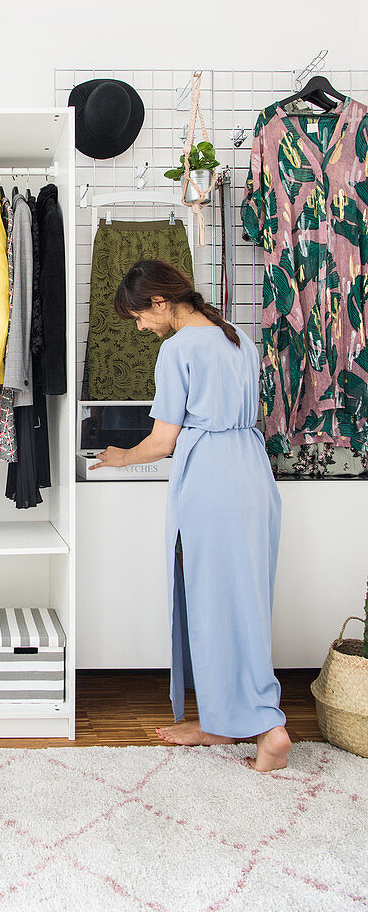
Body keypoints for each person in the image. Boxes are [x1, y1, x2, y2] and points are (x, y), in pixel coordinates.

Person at [91, 259, 291, 772]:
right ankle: (225, 722)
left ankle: (269, 727)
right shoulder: (239, 340)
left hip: (213, 482)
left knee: (211, 603)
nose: (141, 327)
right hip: (253, 474)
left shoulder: (177, 349)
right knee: (245, 602)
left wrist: (117, 457)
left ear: (160, 301)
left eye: (139, 316)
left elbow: (161, 442)